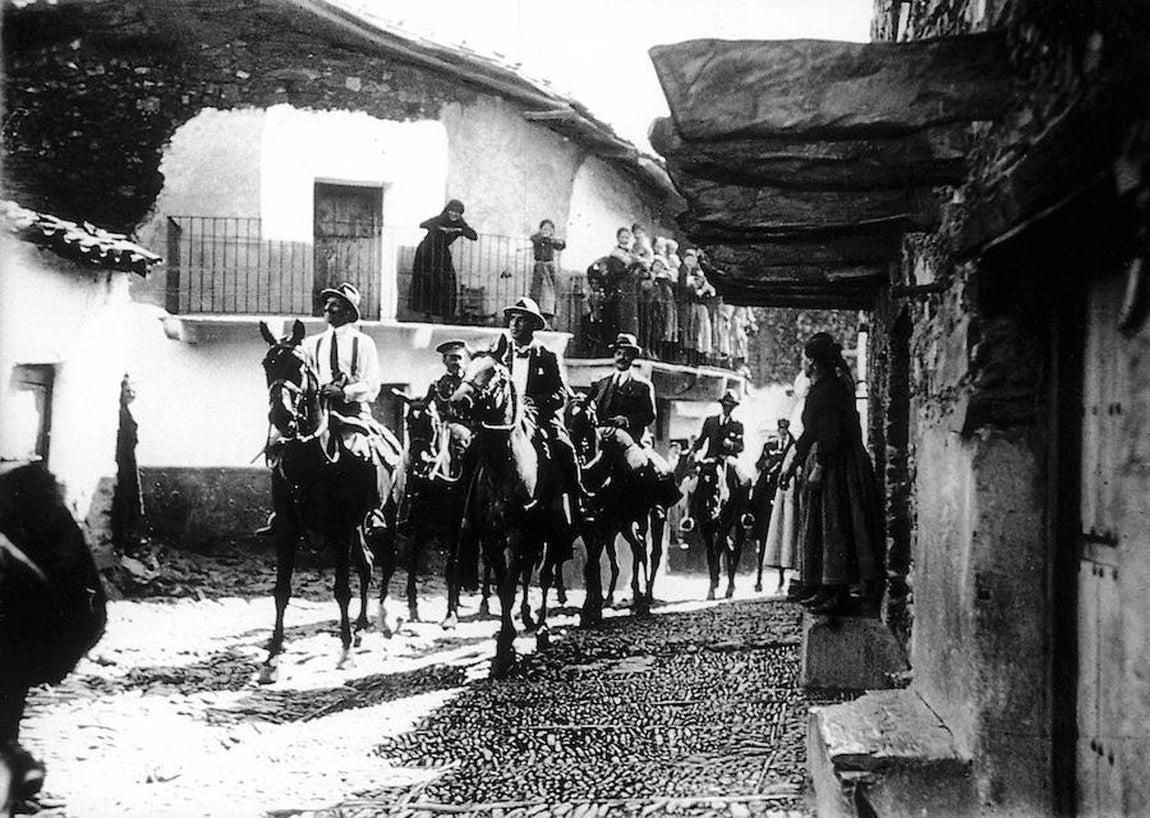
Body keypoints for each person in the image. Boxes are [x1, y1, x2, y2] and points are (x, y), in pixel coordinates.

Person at [781, 332, 884, 615]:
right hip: (829, 457)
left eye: (805, 358)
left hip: (837, 463)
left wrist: (819, 468)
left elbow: (830, 432)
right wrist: (791, 462)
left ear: (813, 362)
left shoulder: (829, 389)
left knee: (834, 525)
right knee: (823, 526)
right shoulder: (823, 386)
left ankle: (837, 590)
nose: (804, 364)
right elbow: (809, 431)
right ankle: (823, 587)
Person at [302, 282, 401, 524]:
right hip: (318, 412)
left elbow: (372, 385)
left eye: (334, 305)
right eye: (327, 304)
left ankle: (372, 509)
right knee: (289, 448)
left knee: (364, 452)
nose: (327, 308)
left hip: (352, 413)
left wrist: (344, 392)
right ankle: (286, 514)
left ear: (347, 312)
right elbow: (304, 377)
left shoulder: (363, 343)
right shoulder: (310, 344)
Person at [497, 297, 593, 522]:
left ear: (532, 325)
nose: (514, 325)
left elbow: (560, 394)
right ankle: (463, 511)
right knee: (473, 449)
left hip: (537, 420)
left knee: (564, 449)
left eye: (521, 320)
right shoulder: (500, 353)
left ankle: (578, 504)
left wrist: (535, 403)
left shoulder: (547, 356)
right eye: (512, 319)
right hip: (504, 421)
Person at [409, 199, 477, 318]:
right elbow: (423, 224)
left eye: (457, 212)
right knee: (427, 280)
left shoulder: (460, 223)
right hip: (427, 251)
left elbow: (473, 235)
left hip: (441, 252)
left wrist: (460, 230)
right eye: (452, 211)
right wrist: (441, 228)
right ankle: (427, 313)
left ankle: (445, 313)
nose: (454, 214)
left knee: (447, 280)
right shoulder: (440, 219)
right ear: (447, 211)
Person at [590, 333, 656, 445]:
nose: (621, 358)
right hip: (602, 438)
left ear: (633, 357)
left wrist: (627, 420)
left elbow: (649, 415)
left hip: (630, 441)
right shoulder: (601, 383)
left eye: (626, 355)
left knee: (638, 461)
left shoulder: (642, 385)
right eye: (618, 353)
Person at [422, 340, 473, 480]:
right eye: (452, 358)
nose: (456, 362)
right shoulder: (437, 385)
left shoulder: (470, 384)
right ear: (444, 360)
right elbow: (424, 406)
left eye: (459, 358)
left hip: (468, 429)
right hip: (443, 431)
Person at [111, 374, 142, 553]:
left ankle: (128, 538)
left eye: (134, 391)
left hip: (128, 459)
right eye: (128, 391)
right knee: (123, 498)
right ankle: (122, 540)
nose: (131, 394)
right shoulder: (120, 413)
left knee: (129, 498)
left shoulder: (126, 411)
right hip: (122, 460)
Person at [527, 219, 566, 326]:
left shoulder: (552, 241)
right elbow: (533, 238)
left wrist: (552, 239)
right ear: (540, 230)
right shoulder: (537, 238)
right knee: (537, 293)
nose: (546, 231)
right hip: (539, 267)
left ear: (553, 231)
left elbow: (562, 245)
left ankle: (547, 320)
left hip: (549, 268)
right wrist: (543, 237)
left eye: (549, 229)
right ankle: (536, 317)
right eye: (544, 229)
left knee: (549, 293)